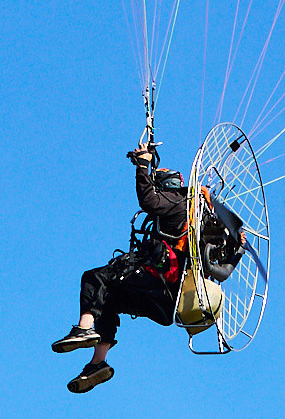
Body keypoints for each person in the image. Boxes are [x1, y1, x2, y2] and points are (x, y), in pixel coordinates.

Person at [50, 142, 189, 393]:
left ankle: (84, 328)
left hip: (156, 281)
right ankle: (98, 363)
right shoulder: (186, 218)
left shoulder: (177, 203)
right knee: (108, 298)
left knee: (95, 278)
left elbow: (149, 201)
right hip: (164, 303)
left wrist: (143, 165)